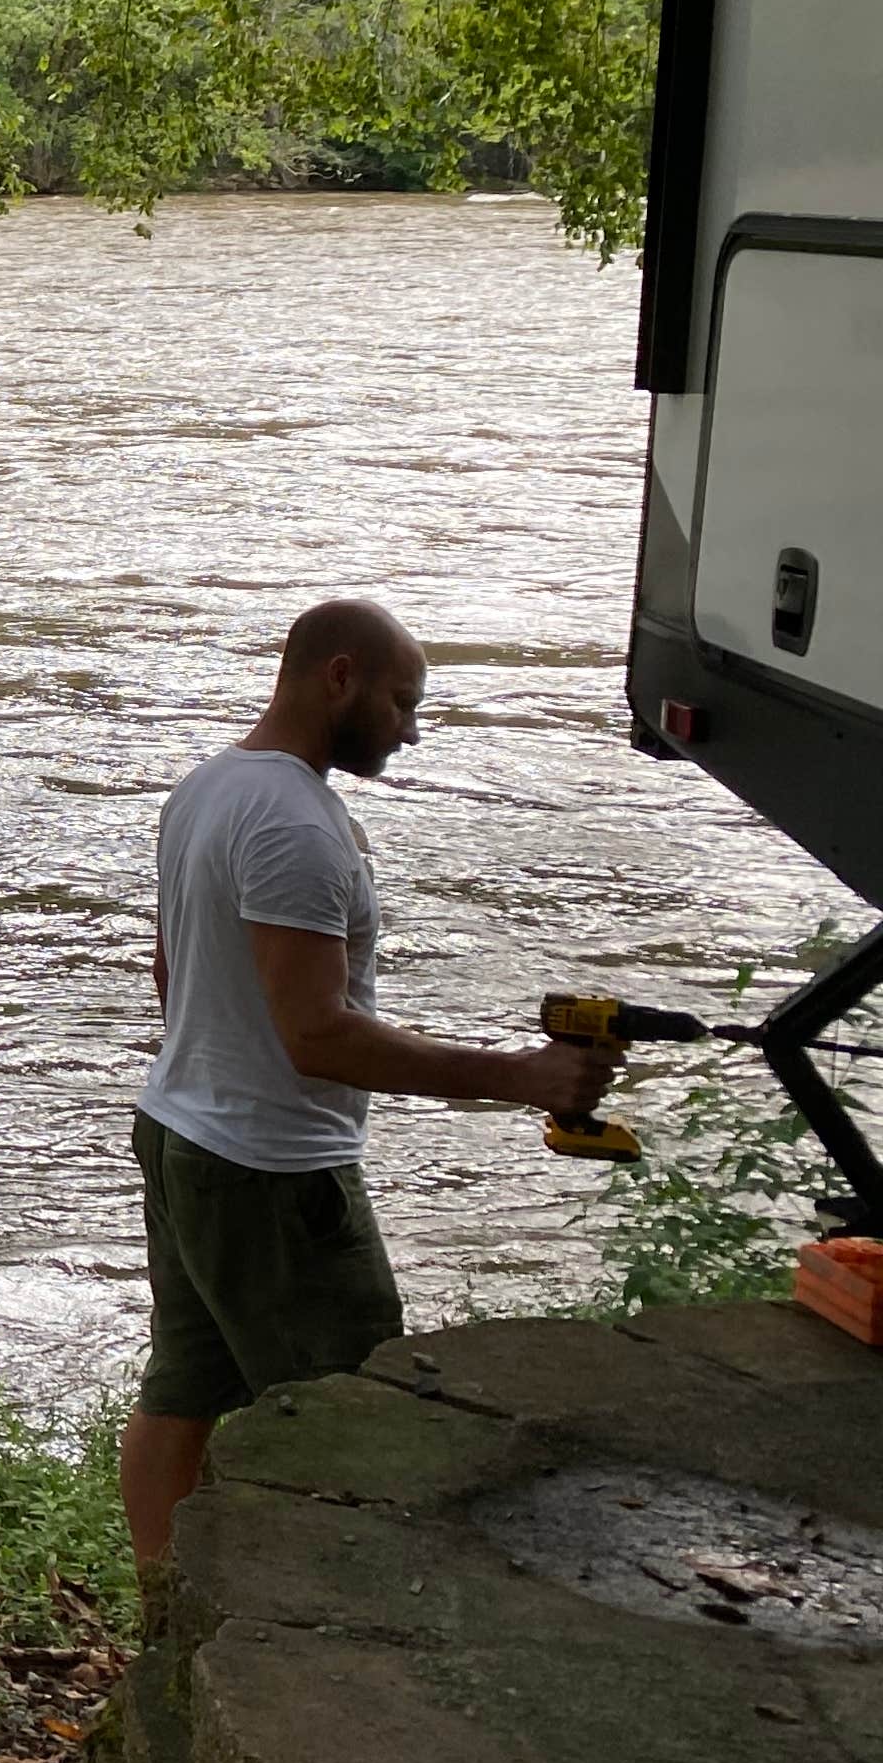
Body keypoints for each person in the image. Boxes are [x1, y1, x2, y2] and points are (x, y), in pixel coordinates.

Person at [118, 597, 620, 1576]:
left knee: (181, 1394)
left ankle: (169, 1624)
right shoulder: (298, 824)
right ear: (338, 676)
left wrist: (215, 1070)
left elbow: (171, 976)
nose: (412, 729)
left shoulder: (207, 789)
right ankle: (328, 1634)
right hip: (275, 1178)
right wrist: (522, 1076)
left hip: (178, 1133)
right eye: (402, 702)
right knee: (356, 1421)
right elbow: (318, 1036)